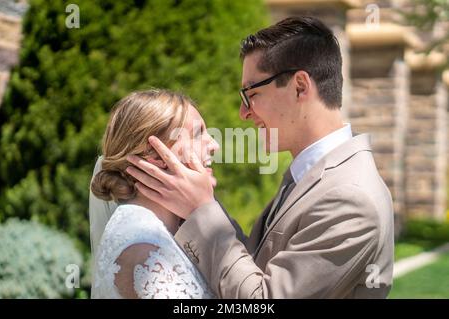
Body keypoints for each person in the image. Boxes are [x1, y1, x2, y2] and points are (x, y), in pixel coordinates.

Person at [125, 16, 395, 298]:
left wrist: (200, 210)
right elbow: (254, 264)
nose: (244, 113)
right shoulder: (312, 174)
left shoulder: (351, 198)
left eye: (251, 93)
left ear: (300, 86)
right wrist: (194, 201)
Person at [89, 89, 219, 299]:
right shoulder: (143, 249)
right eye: (197, 134)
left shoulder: (162, 231)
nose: (214, 145)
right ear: (155, 154)